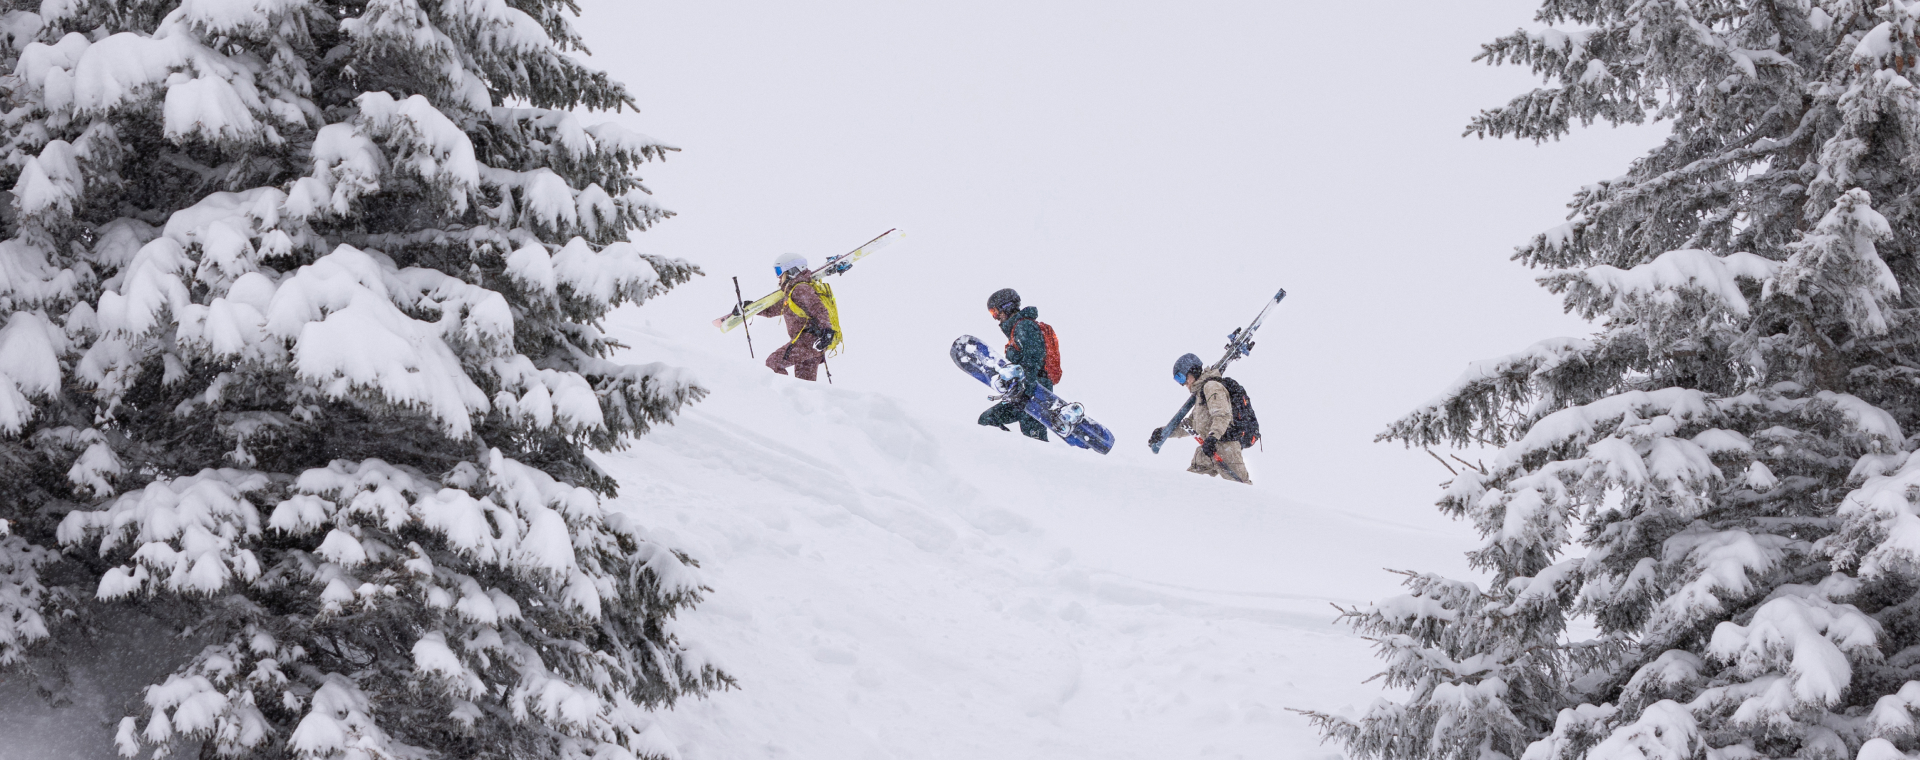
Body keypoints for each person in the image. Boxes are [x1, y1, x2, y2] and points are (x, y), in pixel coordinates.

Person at [1151, 353, 1253, 484]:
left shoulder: (1211, 387)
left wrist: (1212, 437)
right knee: (1188, 485)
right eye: (1178, 380)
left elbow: (1222, 415)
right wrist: (1164, 432)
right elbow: (1191, 424)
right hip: (1209, 450)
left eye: (1181, 377)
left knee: (1241, 490)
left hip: (1226, 449)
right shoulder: (1200, 395)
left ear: (1192, 371)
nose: (1183, 384)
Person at [978, 288, 1051, 441]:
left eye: (995, 311)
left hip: (1034, 392)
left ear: (1007, 306)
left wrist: (1027, 392)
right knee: (988, 420)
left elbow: (1033, 361)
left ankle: (1047, 461)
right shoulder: (1017, 329)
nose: (996, 317)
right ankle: (1012, 451)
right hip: (1024, 392)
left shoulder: (1025, 327)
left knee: (1035, 441)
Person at [758, 253, 835, 381]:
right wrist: (752, 309)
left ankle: (783, 395)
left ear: (792, 270)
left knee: (773, 362)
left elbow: (818, 308)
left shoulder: (800, 289)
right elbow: (771, 310)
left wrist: (827, 330)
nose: (778, 277)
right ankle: (804, 400)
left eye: (779, 271)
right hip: (814, 345)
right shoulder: (793, 293)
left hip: (807, 341)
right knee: (804, 383)